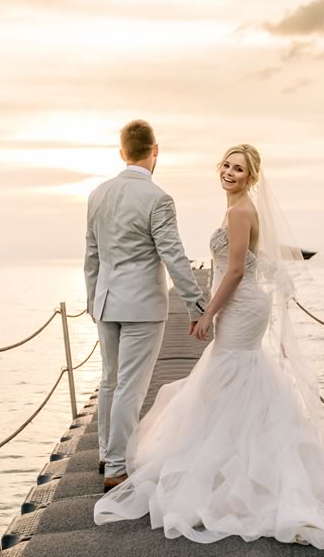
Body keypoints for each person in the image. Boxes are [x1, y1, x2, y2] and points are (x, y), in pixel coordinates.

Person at [94, 144, 324, 550]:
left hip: (241, 305)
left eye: (239, 169)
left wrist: (207, 314)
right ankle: (229, 461)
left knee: (231, 373)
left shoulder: (240, 212)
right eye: (227, 165)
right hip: (239, 303)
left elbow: (235, 270)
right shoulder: (235, 208)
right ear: (219, 168)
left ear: (251, 177)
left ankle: (239, 471)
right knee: (234, 378)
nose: (231, 173)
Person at [84, 119, 207, 493]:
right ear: (156, 151)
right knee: (130, 389)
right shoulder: (158, 199)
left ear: (122, 153)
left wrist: (93, 299)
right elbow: (173, 255)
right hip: (141, 306)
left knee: (110, 381)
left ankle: (107, 452)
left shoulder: (97, 194)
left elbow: (91, 255)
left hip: (106, 302)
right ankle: (117, 469)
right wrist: (195, 304)